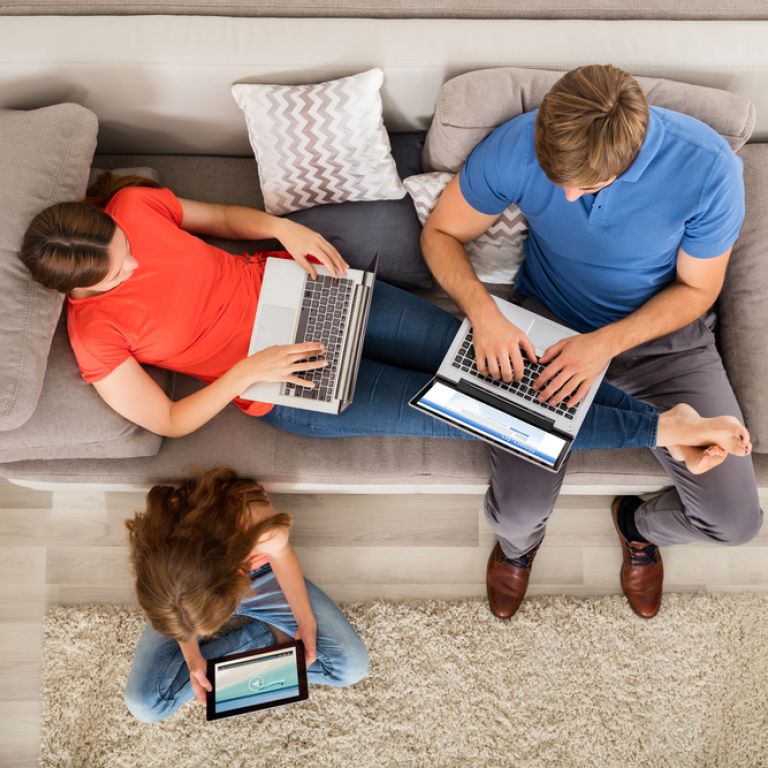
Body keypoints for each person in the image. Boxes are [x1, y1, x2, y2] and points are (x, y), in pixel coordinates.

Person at [17, 171, 751, 466]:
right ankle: (661, 427)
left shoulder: (131, 210)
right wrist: (248, 370)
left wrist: (280, 228)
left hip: (310, 296)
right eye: (119, 274)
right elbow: (168, 422)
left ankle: (663, 420)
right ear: (77, 295)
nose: (133, 264)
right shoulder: (93, 334)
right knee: (467, 410)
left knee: (488, 359)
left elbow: (217, 218)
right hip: (283, 383)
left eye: (123, 252)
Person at [421, 63, 763, 620]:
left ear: (633, 156)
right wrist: (484, 313)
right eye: (558, 182)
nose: (570, 197)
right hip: (548, 329)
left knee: (736, 523)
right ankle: (518, 549)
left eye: (589, 185)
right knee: (513, 515)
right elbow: (440, 233)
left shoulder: (708, 170)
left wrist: (604, 345)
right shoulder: (519, 142)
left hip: (662, 341)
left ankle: (636, 524)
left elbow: (699, 288)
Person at [123, 468, 369, 723]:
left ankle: (268, 639)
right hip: (182, 590)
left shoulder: (257, 525)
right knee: (144, 706)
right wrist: (191, 654)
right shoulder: (159, 541)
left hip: (262, 576)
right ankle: (269, 636)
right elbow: (177, 611)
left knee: (351, 668)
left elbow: (281, 556)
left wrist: (305, 622)